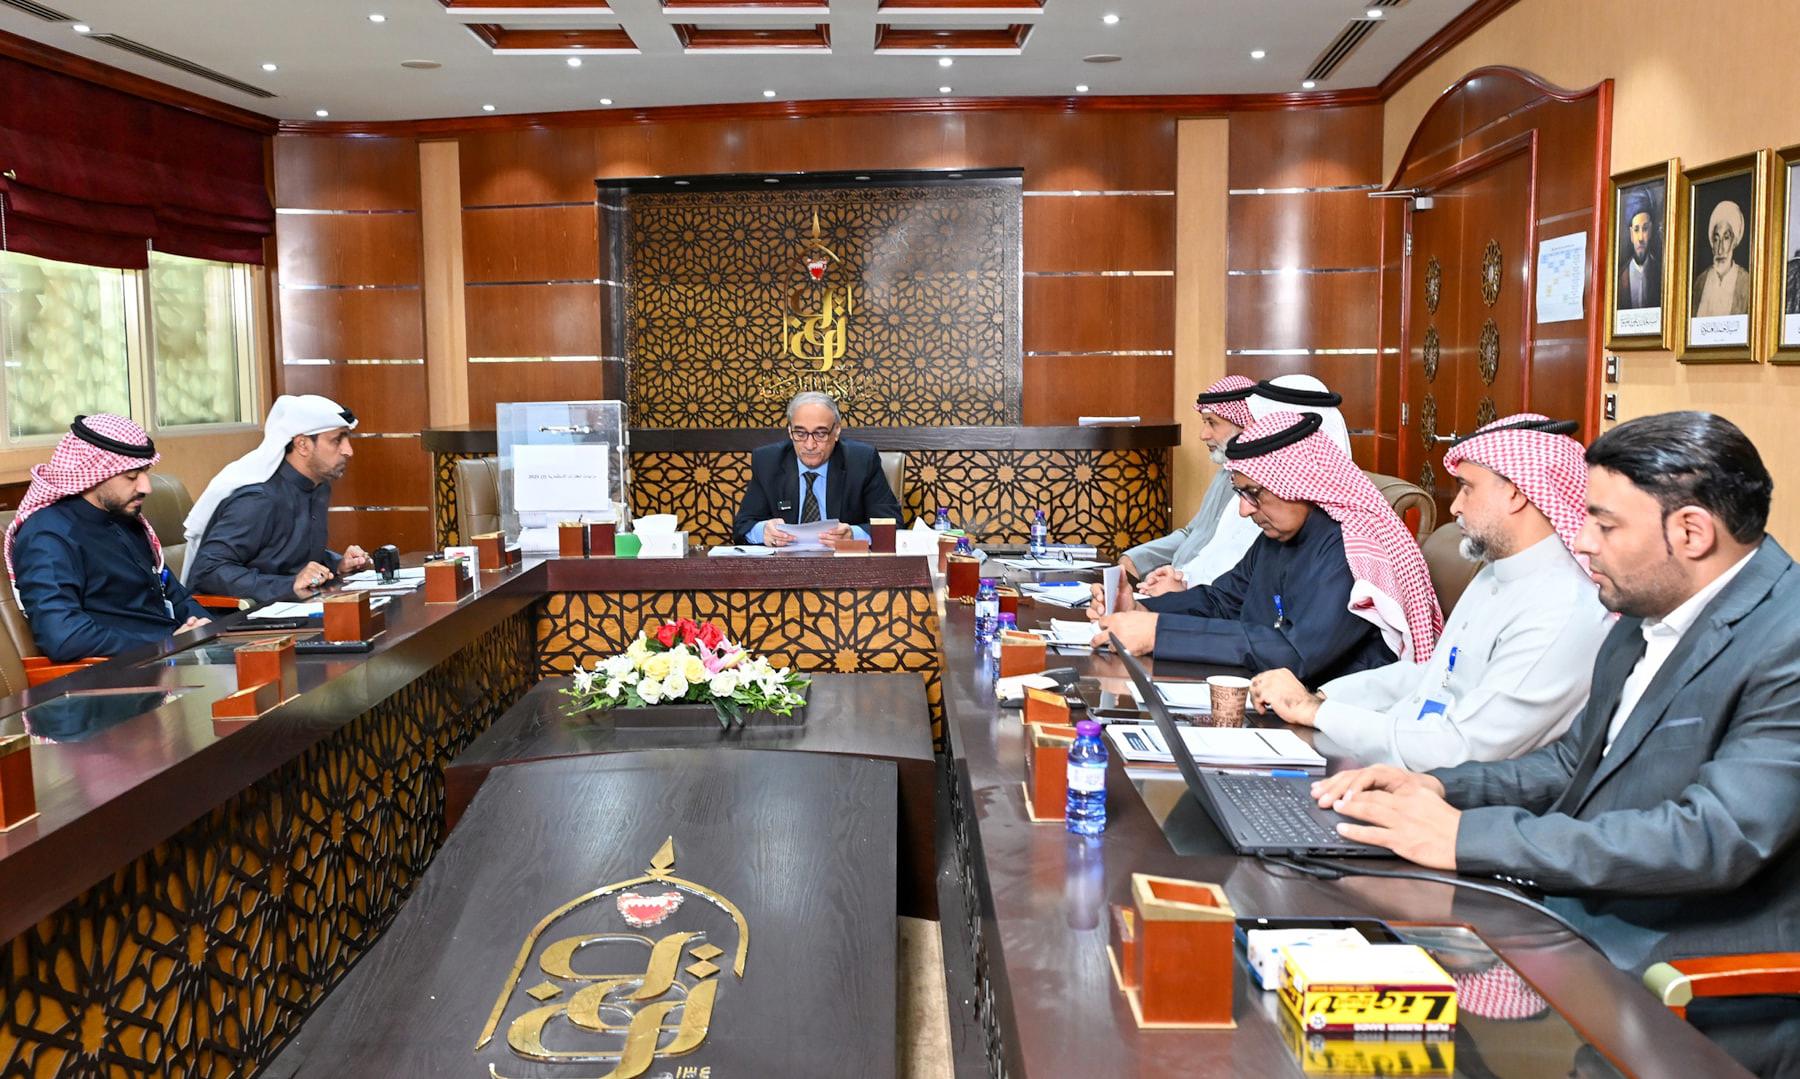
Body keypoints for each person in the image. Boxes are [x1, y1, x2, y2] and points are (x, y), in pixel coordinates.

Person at [1310, 412, 1800, 1074]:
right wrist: (1438, 787)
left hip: (1678, 974)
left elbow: (1710, 837)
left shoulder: (1786, 639)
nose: (1582, 541)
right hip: (1566, 917)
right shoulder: (1645, 608)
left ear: (1691, 532)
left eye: (1605, 524)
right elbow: (1574, 763)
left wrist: (1468, 837)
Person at [1250, 415, 1610, 771]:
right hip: (1403, 759)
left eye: (1467, 488)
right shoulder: (1494, 575)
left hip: (1447, 792)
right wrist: (1323, 697)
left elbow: (1463, 748)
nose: (1455, 506)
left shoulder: (1561, 610)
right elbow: (1433, 677)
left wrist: (1317, 712)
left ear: (1514, 494)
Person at [1093, 411, 1441, 683]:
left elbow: (1293, 653)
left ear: (1299, 482)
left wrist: (1160, 634)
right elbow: (1223, 601)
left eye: (1253, 493)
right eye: (1241, 494)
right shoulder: (1279, 535)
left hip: (1335, 718)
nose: (1244, 510)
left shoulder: (1349, 549)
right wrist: (1143, 609)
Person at [5, 415, 210, 661]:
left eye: (145, 472)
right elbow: (64, 637)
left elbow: (175, 596)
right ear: (93, 473)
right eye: (132, 476)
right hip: (122, 673)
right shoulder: (48, 536)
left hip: (173, 657)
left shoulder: (124, 518)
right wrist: (166, 644)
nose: (146, 487)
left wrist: (207, 629)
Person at [1137, 374, 1356, 597]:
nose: (1245, 509)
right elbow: (1227, 591)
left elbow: (1249, 606)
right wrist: (1180, 582)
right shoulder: (1264, 519)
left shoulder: (1339, 547)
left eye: (1260, 424)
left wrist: (1179, 593)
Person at [184, 394, 371, 604]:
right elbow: (208, 570)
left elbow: (283, 554)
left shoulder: (318, 487)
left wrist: (337, 565)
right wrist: (289, 585)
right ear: (302, 444)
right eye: (337, 440)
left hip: (294, 607)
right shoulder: (258, 499)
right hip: (243, 615)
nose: (348, 451)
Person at [1119, 374, 1255, 586]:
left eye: (1212, 423)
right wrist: (1135, 559)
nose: (1203, 434)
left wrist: (1180, 584)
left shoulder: (1256, 486)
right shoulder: (1224, 473)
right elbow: (1191, 534)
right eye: (1204, 423)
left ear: (1243, 424)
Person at [731, 391, 901, 549]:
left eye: (820, 434)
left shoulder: (862, 461)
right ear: (790, 431)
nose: (810, 445)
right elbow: (742, 527)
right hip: (785, 566)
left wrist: (853, 536)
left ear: (836, 431)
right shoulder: (768, 462)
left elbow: (893, 525)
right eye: (800, 433)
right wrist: (763, 531)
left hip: (844, 566)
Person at [1691, 199, 1751, 318]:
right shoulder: (1700, 283)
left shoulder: (1746, 282)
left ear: (1734, 241)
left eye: (1726, 238)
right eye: (1716, 239)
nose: (1720, 249)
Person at [1616, 192, 1663, 310]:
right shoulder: (1620, 278)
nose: (1641, 238)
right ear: (1631, 234)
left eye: (1645, 229)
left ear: (1651, 231)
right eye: (1636, 230)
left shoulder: (1661, 273)